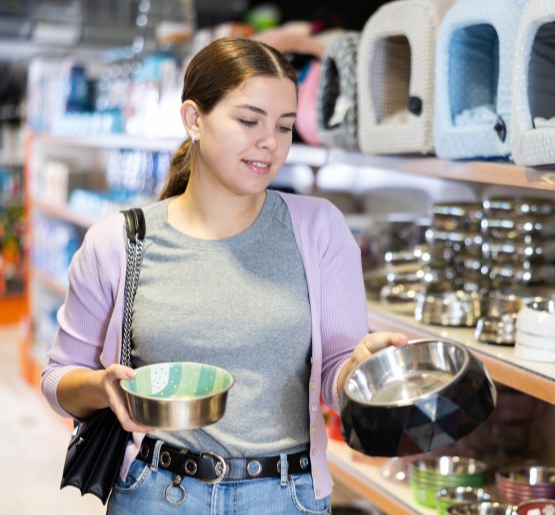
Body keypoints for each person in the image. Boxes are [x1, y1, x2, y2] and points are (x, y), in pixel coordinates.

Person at [41, 36, 407, 514]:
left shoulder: (319, 229)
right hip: (156, 493)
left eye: (284, 126)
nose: (270, 142)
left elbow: (334, 379)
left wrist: (359, 370)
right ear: (194, 119)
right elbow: (58, 379)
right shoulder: (118, 242)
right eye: (249, 121)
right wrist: (102, 389)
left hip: (285, 497)